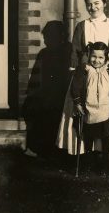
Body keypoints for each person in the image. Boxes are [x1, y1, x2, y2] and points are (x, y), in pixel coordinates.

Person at [57, 0, 109, 155]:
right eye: (89, 4)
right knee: (82, 109)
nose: (93, 7)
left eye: (97, 3)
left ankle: (106, 150)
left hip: (106, 77)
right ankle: (81, 149)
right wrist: (75, 71)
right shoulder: (82, 26)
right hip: (85, 76)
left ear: (104, 4)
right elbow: (75, 50)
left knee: (105, 113)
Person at [71, 42, 109, 169]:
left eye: (101, 57)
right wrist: (78, 103)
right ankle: (89, 159)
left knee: (105, 135)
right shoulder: (84, 68)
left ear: (106, 58)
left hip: (105, 109)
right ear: (89, 55)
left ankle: (105, 160)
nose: (97, 60)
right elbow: (75, 87)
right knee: (88, 134)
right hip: (88, 108)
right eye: (94, 56)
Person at [22, 20, 72, 158]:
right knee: (32, 108)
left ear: (60, 36)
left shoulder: (69, 52)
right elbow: (35, 79)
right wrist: (32, 96)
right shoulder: (44, 53)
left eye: (48, 37)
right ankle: (39, 148)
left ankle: (54, 150)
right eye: (45, 38)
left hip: (64, 96)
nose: (45, 41)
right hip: (45, 96)